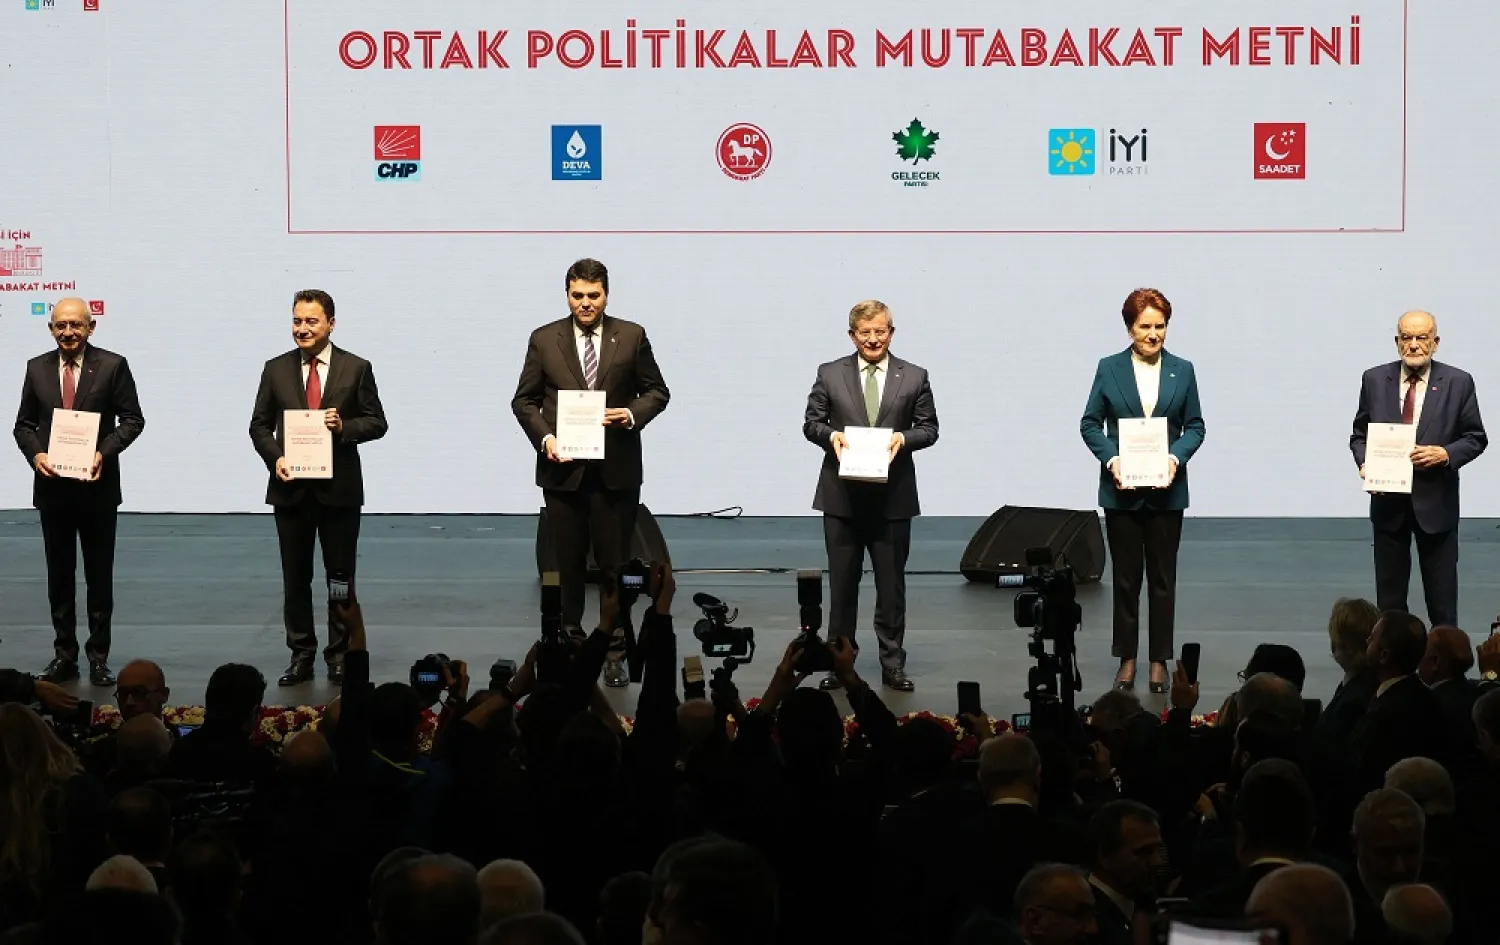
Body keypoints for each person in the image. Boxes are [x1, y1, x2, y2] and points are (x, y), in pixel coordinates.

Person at [511, 259, 670, 684]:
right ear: (567, 294)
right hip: (563, 472)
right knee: (567, 568)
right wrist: (546, 439)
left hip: (616, 471)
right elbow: (523, 401)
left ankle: (615, 650)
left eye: (593, 295)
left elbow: (657, 391)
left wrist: (631, 414)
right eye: (578, 295)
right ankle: (570, 645)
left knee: (617, 566)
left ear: (606, 294)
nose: (585, 303)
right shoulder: (544, 339)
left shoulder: (631, 335)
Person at [250, 289, 387, 686]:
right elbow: (259, 425)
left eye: (311, 321)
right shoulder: (275, 369)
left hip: (338, 491)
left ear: (330, 323)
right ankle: (301, 654)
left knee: (340, 577)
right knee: (295, 578)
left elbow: (377, 422)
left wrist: (344, 427)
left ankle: (341, 653)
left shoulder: (356, 367)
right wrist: (275, 457)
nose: (303, 328)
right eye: (297, 321)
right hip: (290, 490)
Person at [802, 299, 938, 692]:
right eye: (866, 333)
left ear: (891, 333)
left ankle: (892, 664)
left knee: (891, 589)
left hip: (892, 501)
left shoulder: (913, 376)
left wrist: (903, 438)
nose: (873, 339)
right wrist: (832, 437)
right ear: (852, 336)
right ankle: (839, 662)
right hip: (842, 500)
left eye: (881, 331)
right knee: (842, 589)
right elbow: (811, 423)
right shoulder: (830, 373)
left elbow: (929, 429)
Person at [13, 297, 145, 687]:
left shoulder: (112, 365)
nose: (68, 332)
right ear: (51, 329)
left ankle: (99, 657)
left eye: (76, 325)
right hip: (53, 489)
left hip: (97, 489)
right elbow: (23, 424)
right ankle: (64, 655)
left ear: (90, 327)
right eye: (60, 325)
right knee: (59, 576)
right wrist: (35, 454)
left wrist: (103, 452)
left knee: (99, 577)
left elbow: (133, 419)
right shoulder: (36, 368)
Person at [1080, 288, 1205, 693]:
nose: (1154, 334)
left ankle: (1158, 660)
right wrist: (1113, 460)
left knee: (1163, 580)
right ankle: (1127, 658)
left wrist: (1175, 458)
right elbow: (1089, 423)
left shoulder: (1183, 369)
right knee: (1126, 581)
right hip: (1122, 492)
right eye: (1145, 326)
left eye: (1160, 326)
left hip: (1167, 492)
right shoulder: (1109, 367)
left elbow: (1196, 427)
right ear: (1129, 327)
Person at [1350, 310, 1486, 627]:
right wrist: (1365, 464)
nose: (1414, 345)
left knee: (1442, 606)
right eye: (1406, 337)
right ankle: (1396, 672)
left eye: (1421, 337)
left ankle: (1446, 670)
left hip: (1436, 509)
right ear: (1397, 341)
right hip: (1388, 506)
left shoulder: (1458, 382)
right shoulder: (1373, 379)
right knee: (1390, 607)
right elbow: (1359, 435)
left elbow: (1475, 438)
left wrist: (1446, 454)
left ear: (1435, 342)